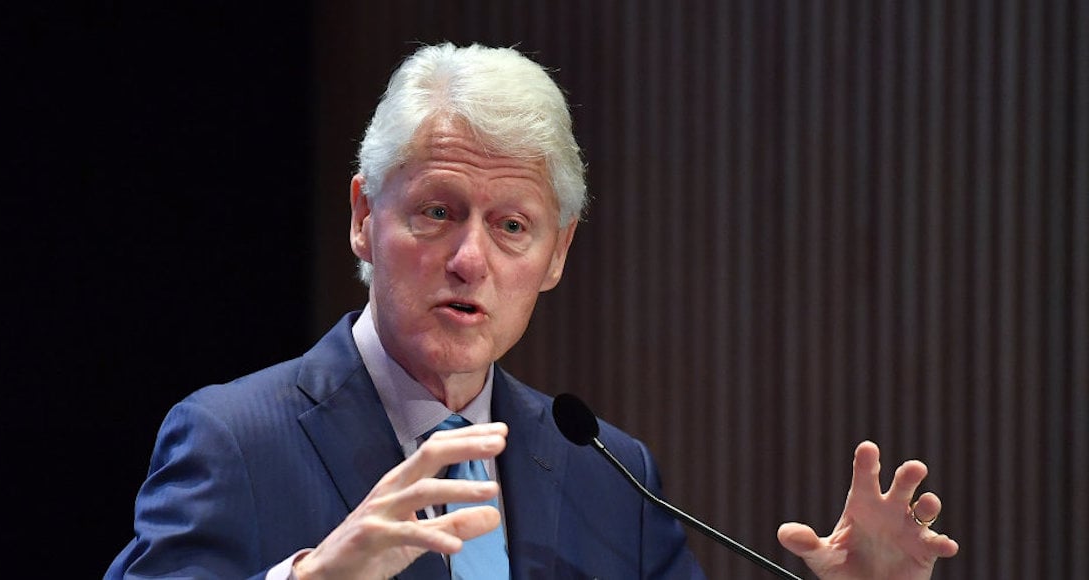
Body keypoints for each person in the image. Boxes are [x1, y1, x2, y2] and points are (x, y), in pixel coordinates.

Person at [107, 43, 959, 580]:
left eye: (511, 226)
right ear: (365, 216)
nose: (470, 257)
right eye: (436, 211)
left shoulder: (608, 473)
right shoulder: (232, 439)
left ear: (556, 254)